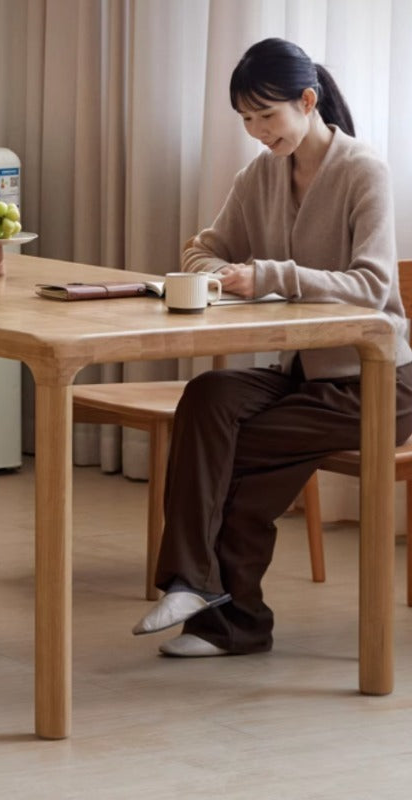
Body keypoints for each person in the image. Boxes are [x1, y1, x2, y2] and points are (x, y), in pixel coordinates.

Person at [131, 37, 412, 657]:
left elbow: (373, 286)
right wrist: (213, 275)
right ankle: (202, 594)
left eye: (267, 115)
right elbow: (201, 247)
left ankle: (220, 612)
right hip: (303, 373)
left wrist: (273, 275)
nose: (257, 131)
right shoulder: (258, 175)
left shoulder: (362, 169)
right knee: (208, 398)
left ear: (307, 101)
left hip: (375, 381)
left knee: (231, 461)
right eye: (246, 119)